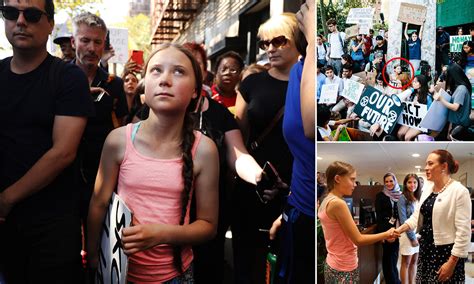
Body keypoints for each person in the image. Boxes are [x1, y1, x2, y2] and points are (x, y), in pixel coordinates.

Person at [87, 43, 219, 283]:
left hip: (176, 275)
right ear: (144, 85)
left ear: (196, 92)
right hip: (117, 274)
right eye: (156, 70)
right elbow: (98, 202)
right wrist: (95, 256)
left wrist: (161, 234)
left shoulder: (204, 150)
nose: (165, 79)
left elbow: (208, 225)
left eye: (179, 71)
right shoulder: (118, 140)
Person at [0, 0, 94, 282]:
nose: (20, 21)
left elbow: (63, 152)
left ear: (50, 24)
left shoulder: (68, 77)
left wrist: (6, 199)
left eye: (31, 14)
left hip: (51, 227)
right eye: (10, 12)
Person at [234, 12, 299, 284]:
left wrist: (291, 187)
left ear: (297, 41)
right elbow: (238, 138)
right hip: (252, 186)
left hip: (296, 191)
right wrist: (255, 178)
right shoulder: (251, 83)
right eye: (264, 43)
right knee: (247, 262)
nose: (270, 48)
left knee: (286, 264)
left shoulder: (307, 83)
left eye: (278, 41)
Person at [266, 3, 315, 282]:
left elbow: (309, 126)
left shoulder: (308, 63)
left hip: (310, 217)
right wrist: (287, 210)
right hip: (298, 212)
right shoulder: (300, 71)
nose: (305, 8)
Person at [71, 12, 129, 230]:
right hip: (63, 176)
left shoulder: (114, 84)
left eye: (98, 42)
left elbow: (121, 128)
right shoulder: (58, 78)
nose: (92, 48)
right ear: (73, 41)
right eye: (85, 40)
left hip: (103, 177)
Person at [396, 150, 471, 283]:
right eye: (426, 164)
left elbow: (463, 232)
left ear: (444, 166)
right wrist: (399, 230)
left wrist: (452, 262)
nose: (426, 168)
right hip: (426, 249)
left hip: (446, 253)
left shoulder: (459, 191)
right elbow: (416, 216)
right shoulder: (427, 190)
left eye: (430, 164)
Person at [317, 161, 399, 283]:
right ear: (338, 179)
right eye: (352, 179)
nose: (355, 184)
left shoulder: (326, 200)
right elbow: (358, 239)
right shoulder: (338, 203)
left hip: (332, 263)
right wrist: (387, 234)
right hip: (344, 267)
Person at [433, 63, 472, 140]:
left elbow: (455, 107)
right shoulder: (459, 87)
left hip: (459, 124)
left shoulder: (461, 89)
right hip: (456, 123)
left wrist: (441, 99)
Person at [375, 173, 402, 284]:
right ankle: (392, 281)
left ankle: (395, 279)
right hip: (386, 230)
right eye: (386, 181)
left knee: (394, 256)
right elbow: (379, 216)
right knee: (388, 257)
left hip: (397, 229)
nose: (389, 183)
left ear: (395, 181)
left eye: (391, 181)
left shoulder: (400, 195)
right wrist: (383, 234)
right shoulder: (380, 195)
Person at [397, 174, 421, 284]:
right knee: (406, 263)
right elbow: (403, 220)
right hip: (407, 235)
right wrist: (412, 238)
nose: (412, 185)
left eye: (415, 182)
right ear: (405, 184)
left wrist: (418, 235)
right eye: (409, 182)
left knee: (414, 262)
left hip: (418, 234)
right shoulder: (402, 198)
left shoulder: (419, 197)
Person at [397, 75, 434, 141]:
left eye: (415, 82)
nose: (413, 83)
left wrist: (419, 106)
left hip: (421, 123)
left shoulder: (427, 97)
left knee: (407, 137)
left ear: (421, 84)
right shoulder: (413, 94)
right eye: (413, 81)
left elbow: (430, 113)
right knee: (399, 133)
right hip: (411, 120)